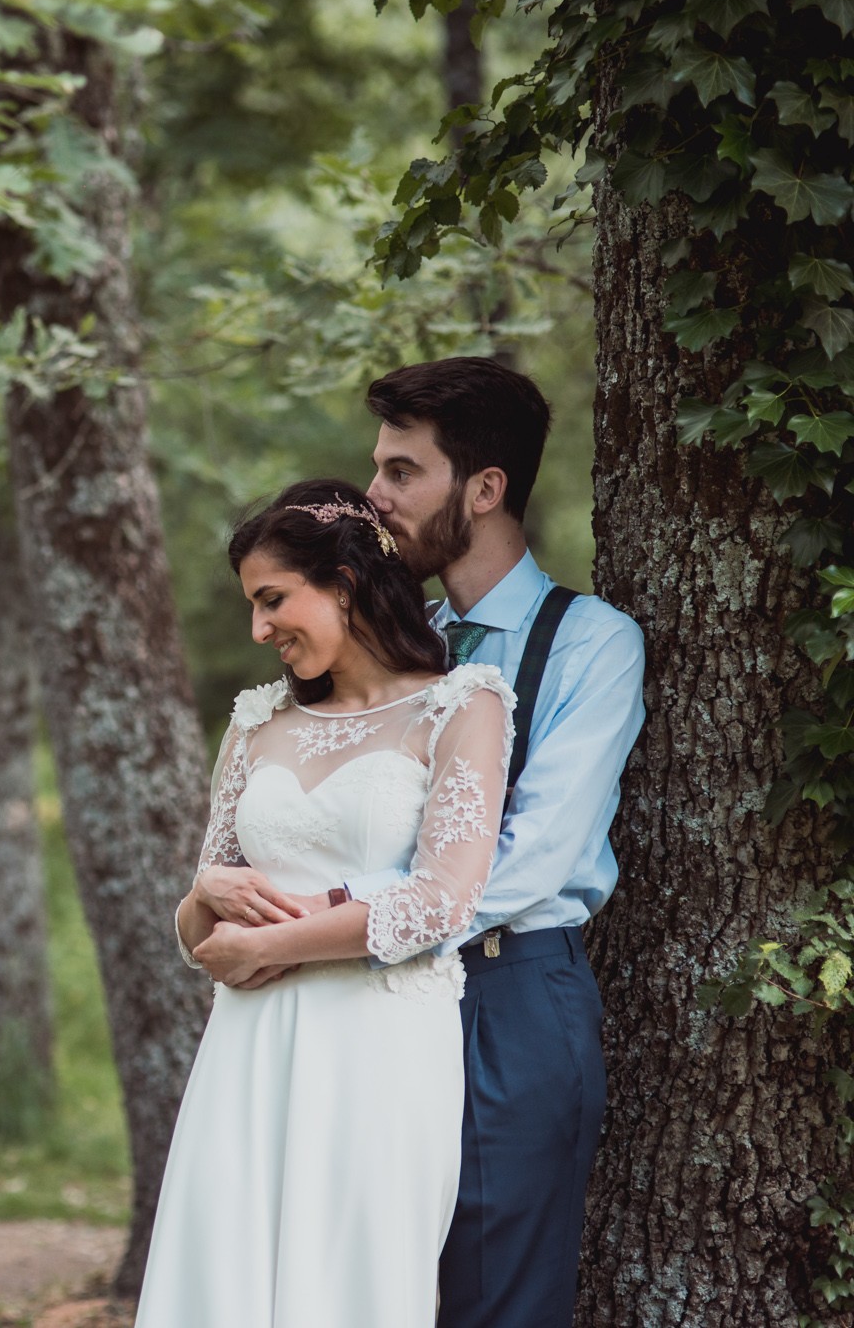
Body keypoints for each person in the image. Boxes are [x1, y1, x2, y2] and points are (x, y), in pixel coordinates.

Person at [196, 357, 647, 1328]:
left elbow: (529, 859)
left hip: (504, 997)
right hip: (357, 1008)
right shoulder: (401, 647)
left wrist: (312, 916)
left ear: (482, 489)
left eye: (401, 472)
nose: (374, 496)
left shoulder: (587, 643)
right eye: (375, 469)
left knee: (488, 1299)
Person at [135, 476, 517, 1327]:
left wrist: (271, 944)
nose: (259, 628)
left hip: (376, 1047)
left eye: (273, 600)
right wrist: (204, 897)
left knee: (350, 1280)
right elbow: (203, 910)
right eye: (252, 606)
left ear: (343, 584)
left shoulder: (464, 704)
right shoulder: (256, 720)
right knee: (222, 1274)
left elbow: (444, 900)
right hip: (246, 1044)